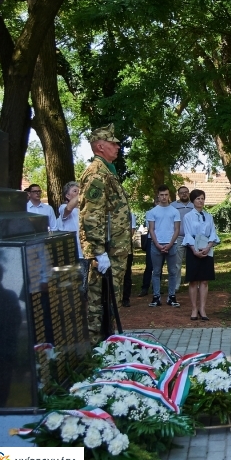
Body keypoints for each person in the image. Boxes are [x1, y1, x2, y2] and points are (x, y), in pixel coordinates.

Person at [78, 124, 132, 345]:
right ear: (100, 146)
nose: (118, 146)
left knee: (110, 300)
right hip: (105, 252)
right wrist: (98, 252)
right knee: (98, 301)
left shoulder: (108, 170)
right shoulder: (97, 174)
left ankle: (107, 342)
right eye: (113, 142)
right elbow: (92, 215)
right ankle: (95, 347)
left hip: (115, 250)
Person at [181, 189, 219, 321]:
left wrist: (208, 247)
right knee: (193, 280)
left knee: (204, 280)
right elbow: (187, 234)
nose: (201, 201)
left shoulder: (209, 216)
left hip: (207, 250)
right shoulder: (188, 217)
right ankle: (193, 308)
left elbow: (213, 233)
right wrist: (194, 250)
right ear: (193, 201)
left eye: (202, 198)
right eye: (198, 198)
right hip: (193, 251)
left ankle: (202, 308)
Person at [146, 185, 182, 307]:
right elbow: (151, 229)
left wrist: (170, 244)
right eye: (161, 195)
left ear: (169, 196)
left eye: (166, 195)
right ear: (158, 196)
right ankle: (156, 297)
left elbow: (177, 229)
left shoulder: (174, 211)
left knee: (172, 271)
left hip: (171, 244)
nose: (164, 197)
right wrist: (157, 244)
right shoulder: (152, 212)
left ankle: (171, 296)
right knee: (156, 271)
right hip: (156, 245)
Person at [57, 181, 89, 298]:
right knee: (78, 290)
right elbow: (69, 207)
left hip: (88, 253)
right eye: (75, 191)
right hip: (76, 255)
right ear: (67, 196)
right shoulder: (63, 208)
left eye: (80, 190)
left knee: (88, 289)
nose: (79, 193)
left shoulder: (85, 209)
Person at [171, 186, 194, 293]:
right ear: (178, 194)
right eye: (181, 193)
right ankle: (176, 285)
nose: (184, 194)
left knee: (192, 262)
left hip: (192, 238)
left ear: (189, 193)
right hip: (179, 238)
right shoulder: (173, 206)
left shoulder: (194, 205)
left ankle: (193, 283)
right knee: (177, 263)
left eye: (186, 192)